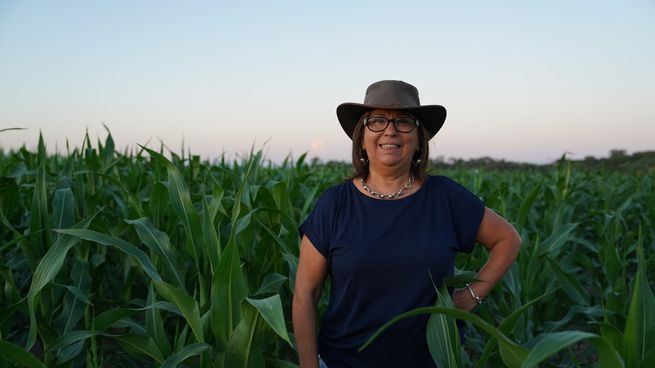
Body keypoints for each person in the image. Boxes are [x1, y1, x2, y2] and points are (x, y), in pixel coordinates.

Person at [292, 80, 521, 368]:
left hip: (432, 361)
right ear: (361, 137)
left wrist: (472, 295)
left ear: (419, 138)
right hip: (344, 361)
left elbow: (508, 239)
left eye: (403, 122)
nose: (390, 130)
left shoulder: (445, 197)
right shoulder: (335, 204)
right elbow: (305, 294)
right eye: (376, 121)